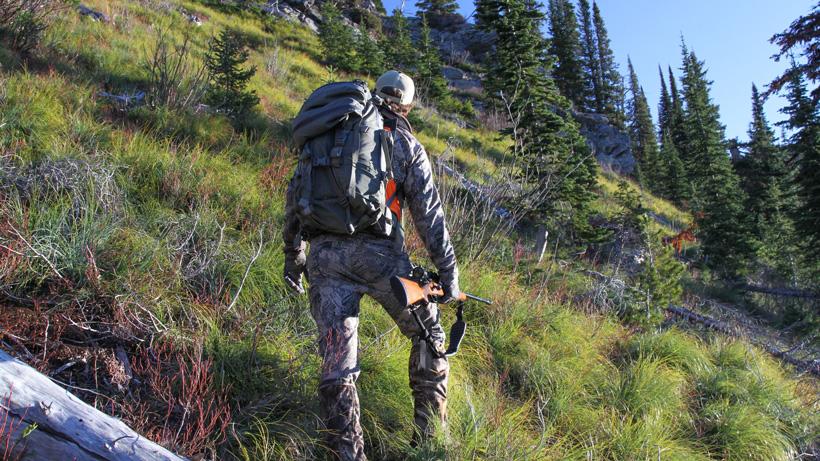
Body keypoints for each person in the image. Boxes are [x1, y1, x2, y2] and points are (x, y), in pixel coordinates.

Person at [282, 70, 460, 460]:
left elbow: (296, 195)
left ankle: (346, 455)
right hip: (381, 258)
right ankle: (430, 446)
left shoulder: (330, 131)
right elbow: (429, 217)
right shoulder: (405, 144)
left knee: (337, 364)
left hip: (325, 259)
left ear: (376, 94)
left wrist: (293, 257)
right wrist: (449, 275)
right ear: (408, 106)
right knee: (430, 338)